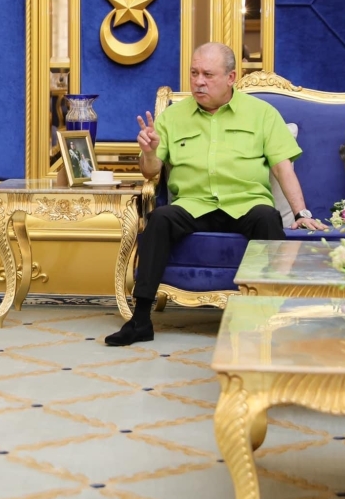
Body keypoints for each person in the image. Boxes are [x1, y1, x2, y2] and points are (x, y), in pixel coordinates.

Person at [105, 42, 327, 346]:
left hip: (245, 204)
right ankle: (140, 319)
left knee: (268, 218)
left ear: (231, 77)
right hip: (193, 205)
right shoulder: (173, 116)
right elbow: (150, 171)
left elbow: (282, 168)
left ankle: (270, 317)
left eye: (208, 74)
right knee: (159, 219)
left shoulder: (261, 114)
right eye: (194, 73)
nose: (198, 81)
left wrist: (301, 214)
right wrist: (149, 151)